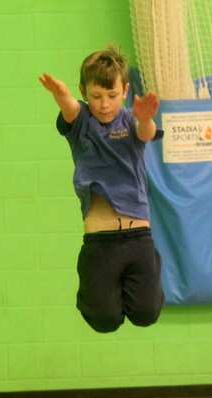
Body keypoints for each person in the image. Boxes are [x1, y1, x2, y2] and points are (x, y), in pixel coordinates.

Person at [39, 45, 165, 333]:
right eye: (96, 96)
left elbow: (144, 134)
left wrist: (145, 117)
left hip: (138, 237)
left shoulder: (130, 120)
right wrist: (62, 96)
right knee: (104, 320)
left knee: (147, 313)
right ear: (84, 92)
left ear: (124, 91)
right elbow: (70, 109)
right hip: (101, 242)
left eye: (111, 96)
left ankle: (144, 279)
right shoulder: (82, 122)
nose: (105, 104)